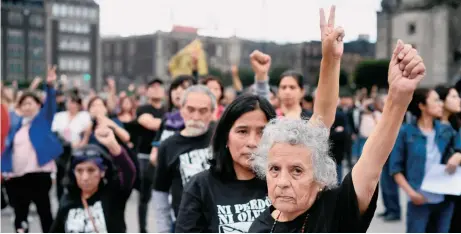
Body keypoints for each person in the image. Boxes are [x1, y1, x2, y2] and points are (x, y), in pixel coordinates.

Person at [175, 6, 343, 232]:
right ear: (225, 136)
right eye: (242, 131)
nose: (253, 142)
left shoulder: (282, 179)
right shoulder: (201, 186)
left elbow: (322, 118)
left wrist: (330, 60)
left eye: (262, 132)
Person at [249, 38, 427, 232]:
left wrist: (397, 98)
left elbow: (371, 162)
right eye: (274, 169)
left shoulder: (336, 211)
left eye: (297, 171)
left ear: (320, 180)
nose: (282, 182)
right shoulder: (260, 225)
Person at [390, 87, 461, 233]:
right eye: (435, 100)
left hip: (444, 200)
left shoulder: (446, 130)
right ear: (422, 106)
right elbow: (395, 168)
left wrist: (458, 155)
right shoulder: (405, 132)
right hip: (418, 201)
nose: (440, 104)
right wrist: (411, 194)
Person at [1, 66, 63, 233]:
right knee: (20, 214)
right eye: (24, 104)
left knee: (44, 212)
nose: (27, 107)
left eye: (31, 103)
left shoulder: (43, 121)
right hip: (16, 176)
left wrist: (49, 86)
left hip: (39, 175)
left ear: (38, 105)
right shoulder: (15, 124)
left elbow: (50, 105)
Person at [152, 85, 216, 232]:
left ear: (212, 112)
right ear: (181, 110)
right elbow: (160, 192)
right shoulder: (168, 146)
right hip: (186, 226)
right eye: (191, 109)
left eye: (203, 111)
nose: (196, 116)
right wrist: (164, 230)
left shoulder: (221, 138)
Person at [49, 125, 136, 233]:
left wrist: (112, 144)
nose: (85, 177)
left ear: (102, 172)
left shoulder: (113, 195)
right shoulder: (68, 200)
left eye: (91, 170)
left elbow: (129, 172)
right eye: (79, 171)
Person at [134, 79, 166, 233]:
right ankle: (143, 230)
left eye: (159, 87)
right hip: (145, 157)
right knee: (144, 197)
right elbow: (149, 123)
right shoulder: (143, 108)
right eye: (152, 87)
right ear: (147, 92)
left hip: (165, 158)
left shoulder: (168, 110)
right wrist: (173, 122)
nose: (156, 90)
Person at [52, 95, 92, 200]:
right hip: (61, 151)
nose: (72, 105)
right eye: (70, 102)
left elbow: (87, 131)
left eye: (74, 103)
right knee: (60, 176)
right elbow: (55, 133)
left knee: (75, 176)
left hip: (77, 150)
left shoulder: (84, 116)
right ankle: (60, 200)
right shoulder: (59, 116)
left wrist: (82, 142)